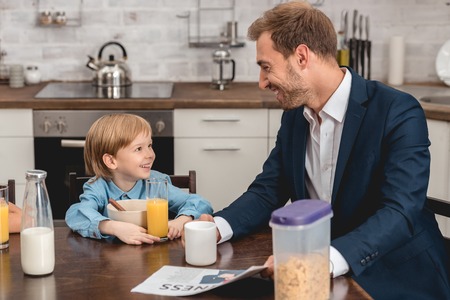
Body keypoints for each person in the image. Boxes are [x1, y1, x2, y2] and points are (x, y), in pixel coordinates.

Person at [196, 2, 450, 299]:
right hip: (320, 269)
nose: (262, 82)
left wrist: (324, 260)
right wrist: (218, 227)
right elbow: (269, 190)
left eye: (266, 67)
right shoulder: (295, 115)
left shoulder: (397, 110)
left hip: (395, 273)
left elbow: (399, 211)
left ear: (301, 56)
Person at [65, 113, 213, 245]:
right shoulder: (98, 187)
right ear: (111, 161)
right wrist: (113, 227)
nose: (150, 154)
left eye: (149, 145)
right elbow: (76, 214)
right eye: (138, 149)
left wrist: (182, 220)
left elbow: (200, 203)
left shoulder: (156, 183)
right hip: (110, 264)